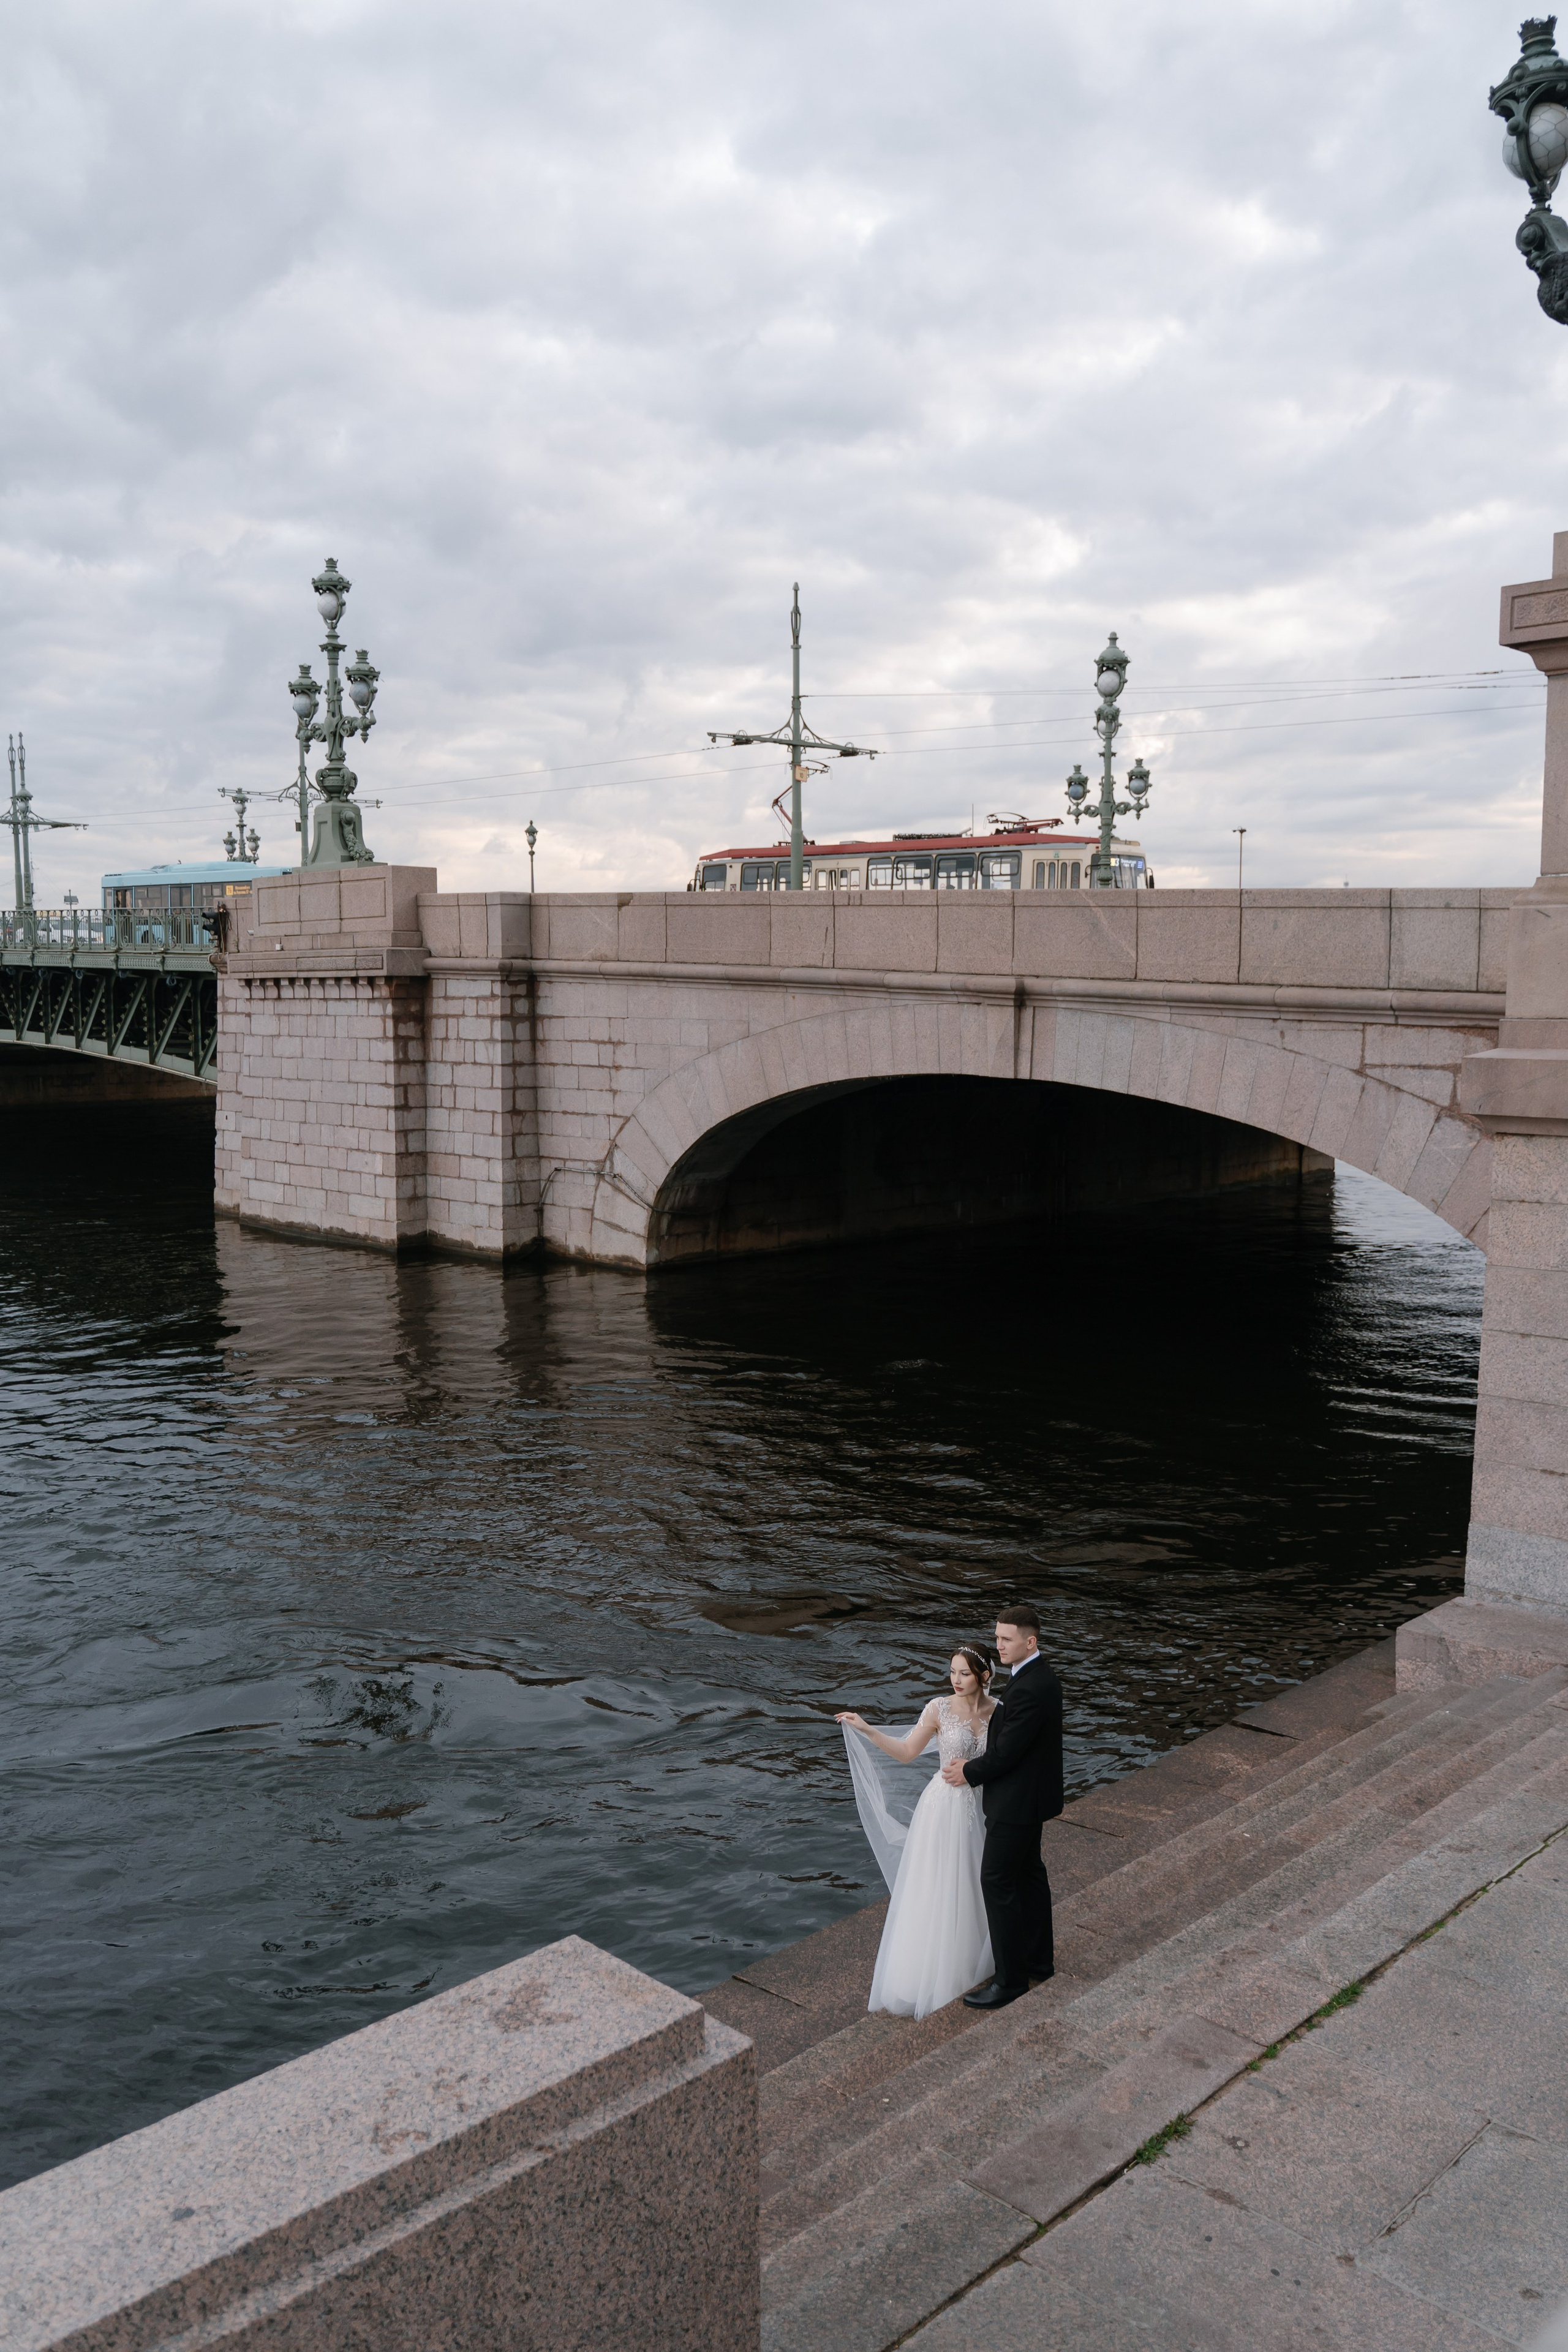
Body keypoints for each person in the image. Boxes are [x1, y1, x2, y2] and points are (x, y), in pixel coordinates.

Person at [837, 1646, 997, 2019]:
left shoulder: (999, 1712)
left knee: (977, 1881)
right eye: (953, 1672)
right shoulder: (938, 1708)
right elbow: (908, 1752)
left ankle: (977, 1962)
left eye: (965, 1674)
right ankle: (933, 1974)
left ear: (984, 1677)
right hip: (943, 1810)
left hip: (983, 1807)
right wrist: (866, 1728)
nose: (955, 1680)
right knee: (939, 1885)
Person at [940, 1604, 1062, 2010]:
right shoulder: (1036, 1678)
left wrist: (969, 1771)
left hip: (1015, 1803)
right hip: (1030, 1799)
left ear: (1031, 1641)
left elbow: (1007, 1754)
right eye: (996, 1638)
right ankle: (1039, 1962)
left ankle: (1010, 1981)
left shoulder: (1029, 1687)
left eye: (1007, 1639)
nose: (1000, 1646)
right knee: (1029, 1875)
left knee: (996, 1881)